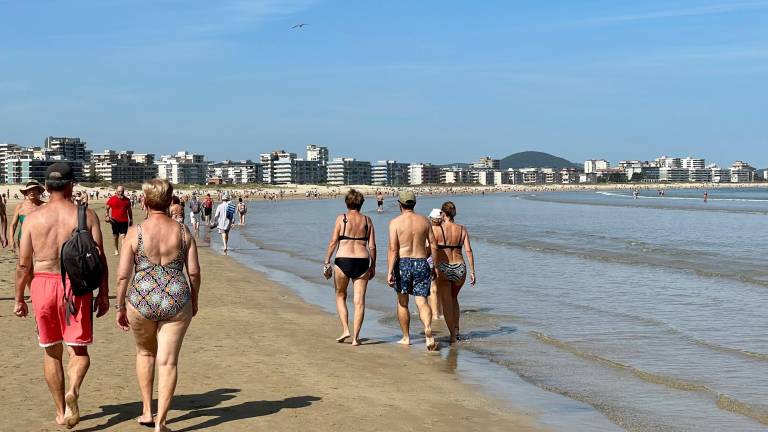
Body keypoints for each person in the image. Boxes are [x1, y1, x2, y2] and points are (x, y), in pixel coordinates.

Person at [13, 163, 110, 429]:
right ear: (71, 185)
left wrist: (19, 297)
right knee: (78, 351)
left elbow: (23, 265)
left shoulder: (33, 218)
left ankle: (60, 411)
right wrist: (104, 294)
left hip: (43, 285)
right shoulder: (86, 215)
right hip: (76, 286)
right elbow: (99, 259)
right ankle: (74, 392)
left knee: (51, 352)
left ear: (46, 187)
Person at [115, 178, 200, 432]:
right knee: (168, 361)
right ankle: (161, 422)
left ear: (145, 201)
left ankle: (146, 411)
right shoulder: (183, 232)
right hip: (176, 298)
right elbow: (194, 273)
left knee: (145, 353)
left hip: (141, 299)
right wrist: (194, 300)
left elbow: (122, 275)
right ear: (170, 201)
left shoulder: (136, 232)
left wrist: (119, 306)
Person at [323, 189, 377, 346]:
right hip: (362, 260)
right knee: (359, 301)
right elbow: (372, 246)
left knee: (340, 295)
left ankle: (346, 329)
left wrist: (327, 261)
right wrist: (372, 265)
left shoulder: (342, 218)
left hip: (343, 260)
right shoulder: (367, 220)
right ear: (361, 203)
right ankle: (356, 338)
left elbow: (333, 241)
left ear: (347, 203)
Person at [387, 190, 439, 351]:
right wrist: (434, 266)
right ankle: (428, 328)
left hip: (402, 263)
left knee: (403, 303)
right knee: (422, 301)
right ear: (414, 204)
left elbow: (393, 249)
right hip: (421, 261)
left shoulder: (395, 222)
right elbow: (433, 245)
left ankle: (406, 337)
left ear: (399, 204)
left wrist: (389, 271)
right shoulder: (424, 221)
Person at [432, 202, 476, 344]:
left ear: (443, 214)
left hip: (444, 268)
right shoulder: (462, 229)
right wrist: (473, 271)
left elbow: (430, 248)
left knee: (446, 303)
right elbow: (468, 250)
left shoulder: (437, 230)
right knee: (454, 298)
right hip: (460, 267)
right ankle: (456, 329)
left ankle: (452, 336)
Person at [9, 180, 45, 252]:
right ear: (26, 192)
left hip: (41, 240)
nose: (32, 192)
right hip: (22, 239)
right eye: (29, 190)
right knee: (25, 262)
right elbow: (13, 225)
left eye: (34, 189)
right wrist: (11, 240)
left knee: (39, 262)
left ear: (38, 192)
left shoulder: (45, 206)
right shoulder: (20, 206)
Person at [427, 208, 444, 324]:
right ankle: (442, 312)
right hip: (445, 260)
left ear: (432, 219)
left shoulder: (432, 230)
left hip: (432, 260)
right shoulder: (445, 229)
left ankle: (435, 314)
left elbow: (429, 247)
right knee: (441, 288)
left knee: (432, 288)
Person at [106, 185, 133, 256]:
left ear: (123, 191)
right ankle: (116, 249)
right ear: (116, 191)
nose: (120, 193)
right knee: (115, 236)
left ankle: (124, 251)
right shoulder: (112, 199)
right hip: (114, 221)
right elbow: (107, 208)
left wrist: (131, 219)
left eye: (121, 191)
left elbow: (129, 211)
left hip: (124, 221)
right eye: (118, 191)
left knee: (123, 236)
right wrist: (107, 216)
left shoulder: (127, 200)